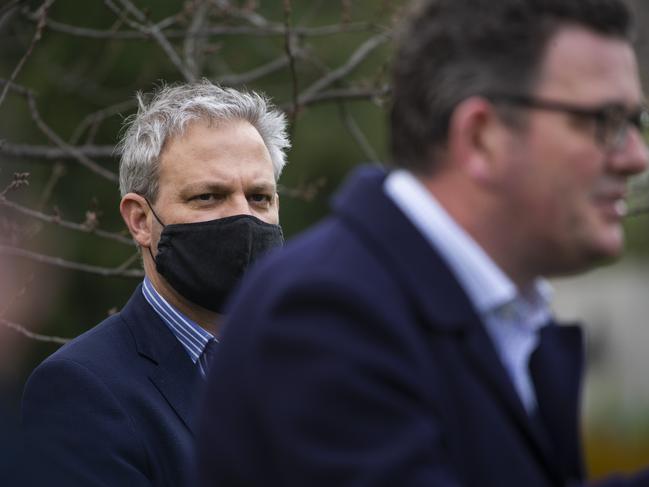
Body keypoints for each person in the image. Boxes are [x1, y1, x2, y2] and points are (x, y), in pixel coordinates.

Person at [196, 1, 649, 486]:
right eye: (604, 121)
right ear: (482, 137)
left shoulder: (486, 314)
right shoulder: (324, 315)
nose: (635, 157)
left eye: (636, 121)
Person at [20, 80, 289, 486]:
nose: (243, 218)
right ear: (141, 221)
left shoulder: (315, 363)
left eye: (259, 197)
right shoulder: (81, 390)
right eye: (208, 197)